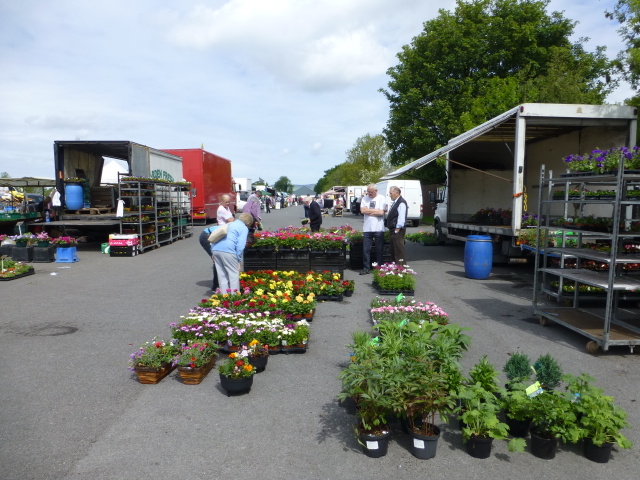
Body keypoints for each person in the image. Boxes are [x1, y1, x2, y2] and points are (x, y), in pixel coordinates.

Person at [211, 212, 253, 292]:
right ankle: (234, 299)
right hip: (229, 250)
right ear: (248, 223)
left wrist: (212, 251)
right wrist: (238, 259)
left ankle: (224, 296)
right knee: (233, 275)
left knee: (222, 275)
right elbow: (240, 245)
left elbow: (216, 235)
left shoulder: (230, 224)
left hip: (216, 249)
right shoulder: (243, 228)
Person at [359, 184, 387, 275]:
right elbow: (363, 211)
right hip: (367, 228)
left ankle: (379, 267)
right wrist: (375, 211)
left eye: (371, 192)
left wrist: (369, 211)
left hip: (378, 228)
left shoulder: (381, 198)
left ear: (376, 191)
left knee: (379, 249)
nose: (369, 194)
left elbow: (382, 212)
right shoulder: (365, 198)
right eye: (368, 192)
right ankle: (366, 267)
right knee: (366, 249)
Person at [387, 186, 408, 264]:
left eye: (391, 193)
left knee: (398, 250)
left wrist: (397, 229)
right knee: (394, 250)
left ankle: (401, 268)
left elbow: (401, 217)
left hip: (397, 230)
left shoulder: (401, 202)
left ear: (396, 193)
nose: (390, 195)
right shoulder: (397, 202)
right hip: (394, 229)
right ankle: (396, 267)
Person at [199, 224, 220, 290]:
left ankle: (219, 284)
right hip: (206, 236)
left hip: (209, 234)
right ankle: (216, 286)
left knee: (218, 260)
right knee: (217, 261)